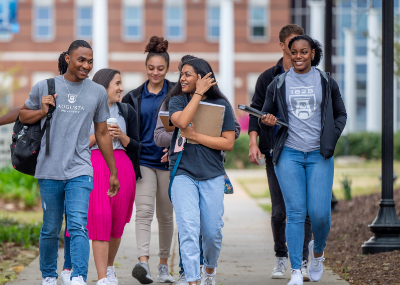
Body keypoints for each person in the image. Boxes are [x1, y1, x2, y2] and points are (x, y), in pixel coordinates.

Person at [19, 40, 120, 285]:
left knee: (78, 225)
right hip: (49, 168)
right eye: (81, 60)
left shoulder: (96, 91)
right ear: (68, 58)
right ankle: (49, 276)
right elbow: (23, 115)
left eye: (90, 61)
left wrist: (112, 172)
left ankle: (77, 276)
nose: (86, 65)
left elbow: (103, 133)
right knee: (51, 228)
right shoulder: (45, 86)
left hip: (80, 168)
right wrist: (42, 111)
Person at [260, 35, 347, 285]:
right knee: (295, 212)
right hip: (289, 154)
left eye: (304, 52)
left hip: (319, 155)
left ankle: (317, 252)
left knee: (320, 214)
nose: (298, 56)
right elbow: (265, 117)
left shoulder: (326, 81)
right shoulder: (278, 83)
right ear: (289, 53)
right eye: (294, 52)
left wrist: (330, 138)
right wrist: (266, 122)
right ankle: (297, 270)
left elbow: (341, 114)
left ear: (312, 54)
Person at [154, 55, 241, 285]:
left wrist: (196, 137)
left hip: (212, 174)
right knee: (189, 230)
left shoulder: (222, 106)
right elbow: (181, 123)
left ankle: (209, 271)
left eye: (187, 74)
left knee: (212, 232)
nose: (181, 78)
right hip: (183, 172)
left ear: (202, 77)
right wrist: (197, 95)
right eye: (181, 74)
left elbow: (228, 143)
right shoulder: (176, 102)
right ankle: (192, 279)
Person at [248, 24, 312, 280]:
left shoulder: (313, 76)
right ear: (283, 45)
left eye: (302, 43)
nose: (297, 49)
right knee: (279, 211)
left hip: (306, 151)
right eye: (292, 43)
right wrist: (254, 141)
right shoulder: (268, 78)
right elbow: (255, 112)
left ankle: (305, 261)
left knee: (304, 209)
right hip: (276, 151)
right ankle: (281, 257)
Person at [121, 36, 175, 284]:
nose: (155, 72)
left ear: (167, 68)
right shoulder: (132, 97)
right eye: (151, 68)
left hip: (168, 161)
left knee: (165, 215)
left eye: (160, 68)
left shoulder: (176, 93)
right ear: (146, 68)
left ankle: (164, 265)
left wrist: (174, 147)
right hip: (142, 161)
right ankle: (143, 263)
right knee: (143, 212)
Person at [88, 68, 140, 285]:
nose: (121, 88)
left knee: (117, 221)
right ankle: (101, 278)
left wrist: (122, 136)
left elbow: (138, 146)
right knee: (100, 217)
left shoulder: (127, 110)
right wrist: (99, 136)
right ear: (103, 87)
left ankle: (110, 268)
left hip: (123, 166)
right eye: (117, 84)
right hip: (95, 163)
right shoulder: (87, 110)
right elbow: (76, 143)